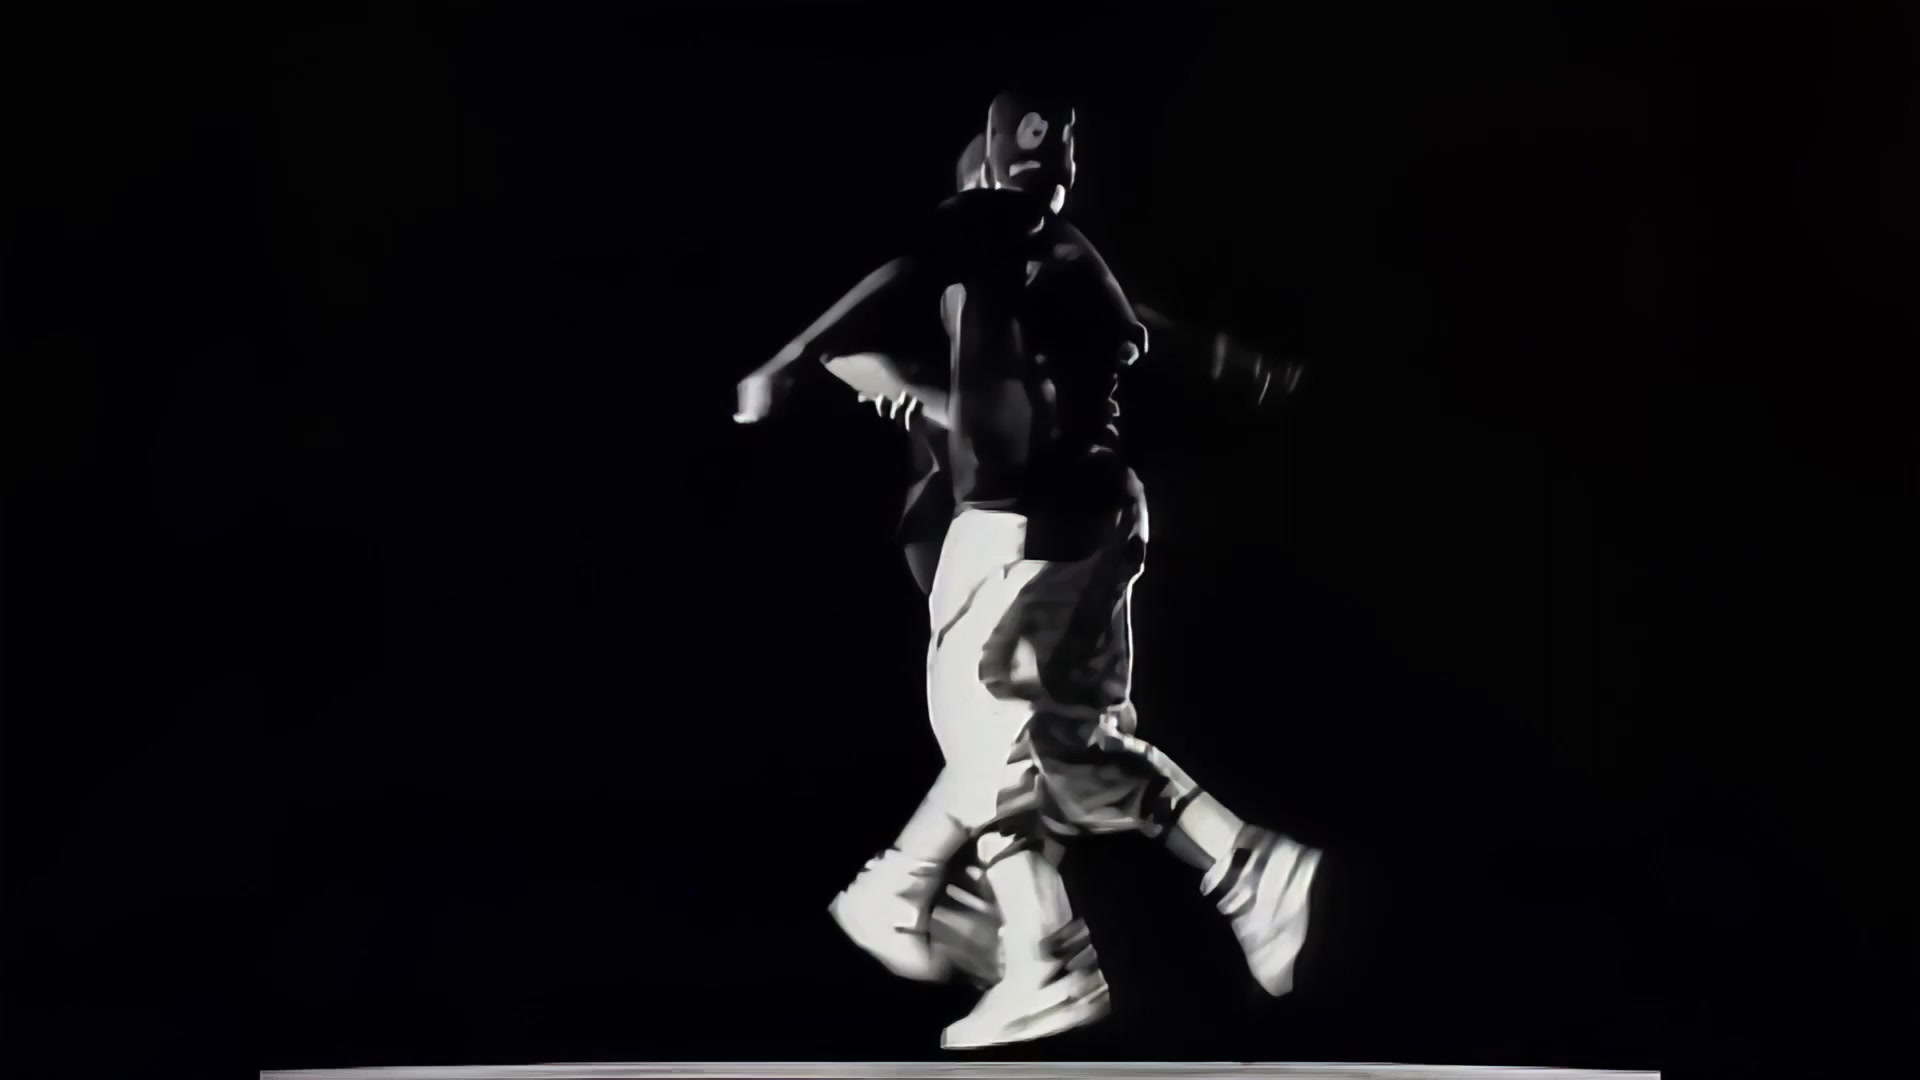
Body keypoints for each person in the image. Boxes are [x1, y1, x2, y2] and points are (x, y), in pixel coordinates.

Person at [737, 95, 1320, 1050]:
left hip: (1033, 519)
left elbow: (899, 284)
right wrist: (1221, 356)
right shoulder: (1058, 270)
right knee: (1066, 749)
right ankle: (1232, 862)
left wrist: (791, 362)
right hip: (1097, 510)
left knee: (985, 727)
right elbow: (1132, 329)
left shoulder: (997, 234)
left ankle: (1009, 938)